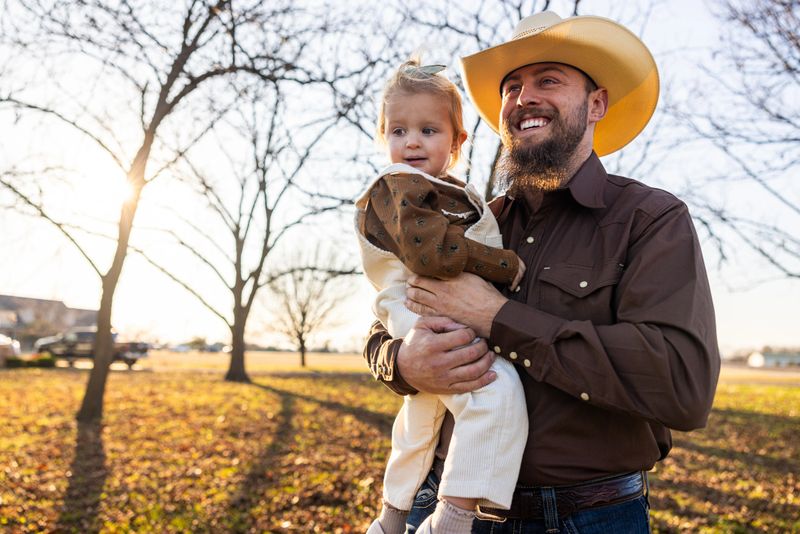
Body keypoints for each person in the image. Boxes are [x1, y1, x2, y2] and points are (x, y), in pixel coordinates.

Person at [363, 11, 721, 533]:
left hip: (587, 517)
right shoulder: (475, 222)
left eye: (547, 80)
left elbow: (682, 383)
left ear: (596, 103)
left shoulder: (649, 219)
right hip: (439, 504)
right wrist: (401, 362)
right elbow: (385, 319)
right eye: (511, 87)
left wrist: (499, 317)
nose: (522, 97)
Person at [355, 59, 529, 534]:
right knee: (494, 391)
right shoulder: (397, 187)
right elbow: (432, 253)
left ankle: (391, 518)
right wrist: (504, 265)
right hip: (414, 302)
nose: (411, 141)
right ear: (383, 135)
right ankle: (453, 519)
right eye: (398, 130)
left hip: (419, 305)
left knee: (424, 411)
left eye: (428, 129)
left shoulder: (440, 190)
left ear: (456, 143)